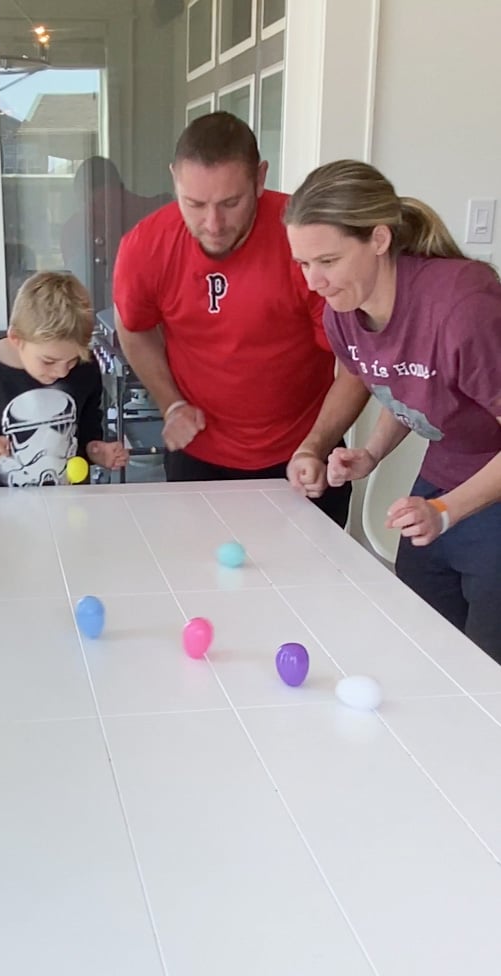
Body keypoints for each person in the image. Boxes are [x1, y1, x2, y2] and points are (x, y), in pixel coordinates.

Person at [284, 159, 501, 663]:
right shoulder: (345, 309)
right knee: (418, 636)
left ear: (379, 239)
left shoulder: (464, 307)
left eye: (328, 261)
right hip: (443, 476)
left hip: (486, 490)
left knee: (484, 666)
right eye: (302, 264)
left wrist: (447, 511)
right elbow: (401, 377)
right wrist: (368, 454)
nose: (314, 281)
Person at [112, 112, 363, 526]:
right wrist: (170, 403)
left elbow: (357, 362)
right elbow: (133, 326)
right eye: (194, 203)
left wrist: (315, 445)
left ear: (260, 179)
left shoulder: (306, 242)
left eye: (231, 203)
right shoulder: (145, 246)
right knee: (197, 585)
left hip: (302, 456)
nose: (212, 224)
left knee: (309, 586)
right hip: (199, 458)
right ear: (175, 178)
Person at [0, 271, 129, 487]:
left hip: (68, 506)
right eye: (48, 361)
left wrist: (94, 450)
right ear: (16, 338)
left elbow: (86, 423)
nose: (62, 372)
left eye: (71, 361)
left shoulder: (85, 367)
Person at [61, 155, 171, 312]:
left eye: (97, 203)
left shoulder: (161, 216)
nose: (94, 212)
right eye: (86, 204)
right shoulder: (75, 229)